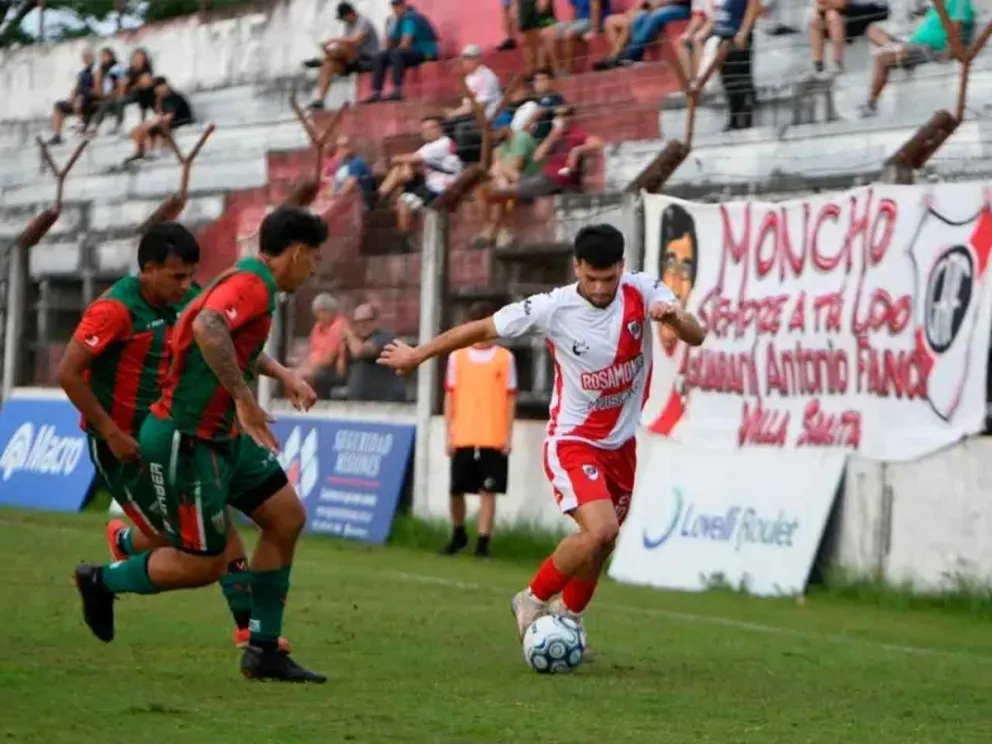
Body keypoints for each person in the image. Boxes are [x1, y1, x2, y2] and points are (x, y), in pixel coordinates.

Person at [377, 224, 706, 653]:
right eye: (591, 278)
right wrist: (419, 353)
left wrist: (674, 317)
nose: (600, 288)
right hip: (574, 440)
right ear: (577, 267)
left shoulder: (643, 290)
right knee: (600, 529)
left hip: (622, 446)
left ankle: (568, 618)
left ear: (622, 267)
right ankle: (531, 600)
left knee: (601, 544)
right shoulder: (554, 307)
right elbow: (482, 329)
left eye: (609, 279)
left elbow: (696, 334)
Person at [73, 206, 329, 683]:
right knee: (205, 562)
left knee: (286, 517)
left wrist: (284, 375)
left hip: (222, 435)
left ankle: (263, 648)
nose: (313, 268)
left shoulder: (248, 282)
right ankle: (102, 580)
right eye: (314, 257)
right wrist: (245, 398)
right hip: (187, 439)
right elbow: (208, 326)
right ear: (296, 252)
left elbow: (226, 335)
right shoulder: (251, 284)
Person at [440, 302, 518, 558]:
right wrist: (449, 433)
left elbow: (510, 398)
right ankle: (458, 533)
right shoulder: (457, 357)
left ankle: (483, 542)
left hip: (492, 435)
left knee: (488, 490)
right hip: (463, 433)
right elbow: (450, 396)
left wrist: (508, 435)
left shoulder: (505, 358)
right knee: (456, 489)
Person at [858, 0, 973, 117]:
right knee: (872, 29)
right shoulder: (939, 4)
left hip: (930, 49)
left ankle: (871, 104)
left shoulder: (958, 2)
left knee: (882, 58)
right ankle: (897, 49)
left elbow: (956, 29)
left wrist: (949, 54)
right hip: (914, 45)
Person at [307, 2, 381, 110]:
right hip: (351, 61)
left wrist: (333, 40)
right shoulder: (348, 25)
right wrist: (328, 50)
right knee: (327, 65)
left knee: (346, 44)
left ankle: (322, 60)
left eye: (343, 18)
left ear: (350, 13)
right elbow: (342, 46)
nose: (343, 21)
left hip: (367, 58)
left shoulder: (364, 22)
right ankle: (320, 100)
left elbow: (355, 40)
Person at [363, 0, 439, 103]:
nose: (395, 10)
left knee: (396, 53)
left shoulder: (410, 17)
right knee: (380, 56)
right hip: (412, 51)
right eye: (394, 7)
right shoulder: (399, 20)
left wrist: (392, 50)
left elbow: (406, 43)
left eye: (398, 6)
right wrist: (389, 27)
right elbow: (389, 44)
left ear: (403, 6)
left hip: (427, 52)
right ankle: (376, 92)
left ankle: (397, 90)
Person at [123, 77, 194, 166]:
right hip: (169, 121)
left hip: (181, 121)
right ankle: (143, 152)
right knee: (139, 130)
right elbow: (160, 115)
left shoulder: (173, 97)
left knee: (146, 129)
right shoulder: (161, 98)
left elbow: (168, 116)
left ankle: (143, 153)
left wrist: (150, 124)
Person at [344, 303, 407, 402]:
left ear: (376, 321)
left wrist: (348, 333)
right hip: (357, 403)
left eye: (366, 320)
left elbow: (360, 351)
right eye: (358, 322)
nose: (362, 325)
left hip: (384, 403)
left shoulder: (384, 338)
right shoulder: (353, 341)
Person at [300, 292, 348, 397]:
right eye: (317, 312)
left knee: (302, 377)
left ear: (332, 311)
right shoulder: (318, 326)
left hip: (334, 370)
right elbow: (311, 349)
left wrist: (309, 366)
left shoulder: (339, 325)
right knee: (291, 374)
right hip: (318, 366)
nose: (320, 315)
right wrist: (305, 365)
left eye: (323, 311)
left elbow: (328, 359)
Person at [49, 48, 96, 145]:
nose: (87, 59)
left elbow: (98, 89)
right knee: (58, 105)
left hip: (91, 99)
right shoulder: (82, 73)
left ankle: (82, 128)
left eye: (88, 57)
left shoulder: (97, 70)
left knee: (80, 101)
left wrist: (82, 96)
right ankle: (57, 136)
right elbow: (76, 88)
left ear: (92, 57)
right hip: (80, 99)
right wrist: (72, 97)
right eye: (85, 57)